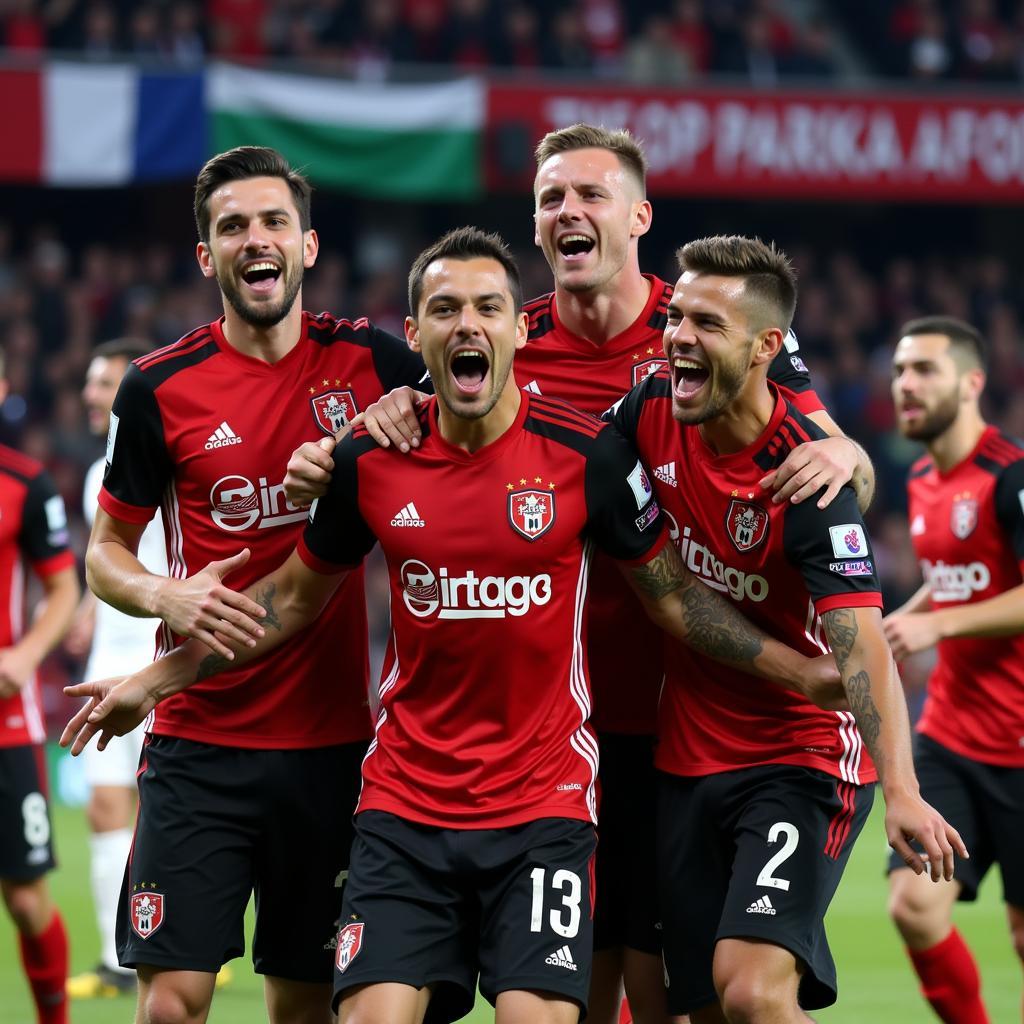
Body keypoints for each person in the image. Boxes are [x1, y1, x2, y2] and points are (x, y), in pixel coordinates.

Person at [64, 227, 849, 1024]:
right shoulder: (367, 459)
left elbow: (675, 597)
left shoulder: (591, 456)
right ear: (415, 335)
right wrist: (154, 680)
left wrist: (805, 670)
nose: (467, 324)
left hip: (544, 803)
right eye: (444, 309)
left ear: (519, 329)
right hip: (405, 804)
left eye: (487, 308)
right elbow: (290, 600)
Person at [283, 123, 876, 1024]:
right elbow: (417, 416)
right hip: (549, 736)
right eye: (552, 197)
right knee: (586, 999)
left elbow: (830, 460)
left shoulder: (698, 327)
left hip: (669, 720)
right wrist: (357, 431)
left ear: (638, 215)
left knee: (672, 995)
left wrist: (851, 461)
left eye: (591, 194)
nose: (570, 211)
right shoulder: (503, 333)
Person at [80, 146, 429, 1024]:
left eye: (274, 221)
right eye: (232, 226)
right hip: (200, 740)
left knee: (303, 1006)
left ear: (308, 246)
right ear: (208, 257)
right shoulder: (158, 386)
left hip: (329, 743)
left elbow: (501, 381)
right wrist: (166, 595)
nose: (254, 238)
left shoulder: (376, 365)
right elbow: (105, 554)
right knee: (170, 1005)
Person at [609, 235, 964, 1024]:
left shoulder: (809, 480)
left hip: (796, 759)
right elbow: (659, 585)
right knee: (694, 1006)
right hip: (684, 757)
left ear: (768, 346)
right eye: (674, 318)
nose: (677, 338)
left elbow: (860, 643)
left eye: (705, 322)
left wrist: (901, 789)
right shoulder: (647, 412)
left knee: (752, 989)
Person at [884, 315, 1024, 1024]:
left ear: (971, 382)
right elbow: (956, 577)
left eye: (925, 371)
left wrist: (934, 624)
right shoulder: (919, 479)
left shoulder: (1011, 477)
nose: (906, 385)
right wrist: (901, 621)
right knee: (913, 904)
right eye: (901, 371)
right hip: (951, 737)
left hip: (1021, 746)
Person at [64, 337, 168, 1000]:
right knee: (105, 806)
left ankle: (176, 944)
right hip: (108, 654)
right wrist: (82, 607)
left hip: (164, 658)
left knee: (161, 811)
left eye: (105, 384)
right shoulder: (89, 474)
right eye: (91, 384)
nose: (92, 396)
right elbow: (107, 554)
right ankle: (113, 960)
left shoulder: (169, 454)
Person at [0, 349, 80, 1024]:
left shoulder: (25, 484)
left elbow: (62, 587)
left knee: (26, 900)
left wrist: (25, 655)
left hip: (8, 725)